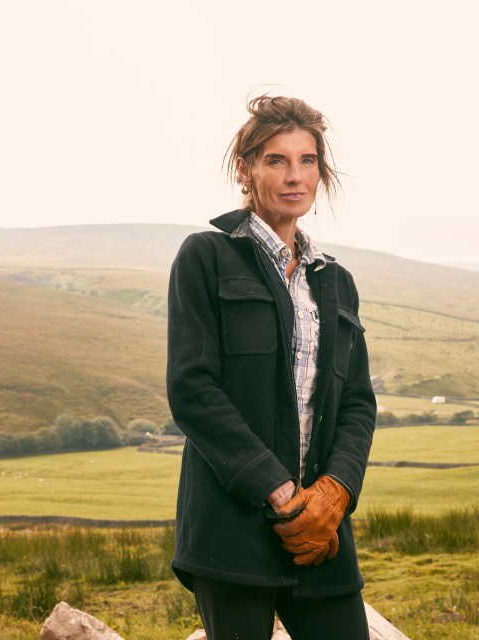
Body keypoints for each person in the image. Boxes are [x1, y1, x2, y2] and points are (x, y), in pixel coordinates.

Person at [166, 95, 377, 640]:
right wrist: (279, 493)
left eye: (307, 161)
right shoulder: (207, 257)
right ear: (247, 168)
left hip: (321, 533)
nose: (294, 176)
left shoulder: (336, 281)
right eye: (276, 160)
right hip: (232, 530)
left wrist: (336, 493)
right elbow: (192, 390)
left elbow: (356, 401)